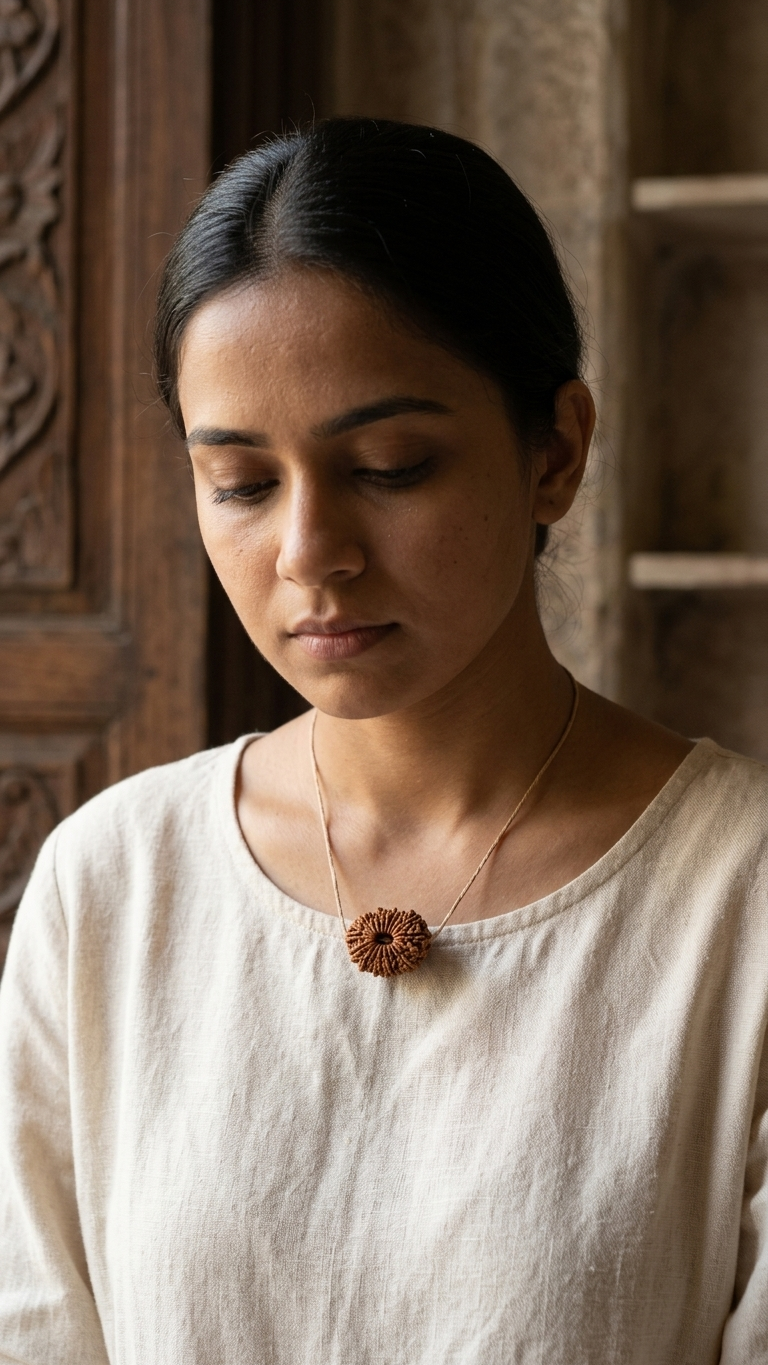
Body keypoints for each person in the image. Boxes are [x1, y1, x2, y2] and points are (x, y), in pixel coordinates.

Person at [0, 118, 765, 1364]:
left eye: (392, 465)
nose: (310, 555)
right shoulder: (111, 890)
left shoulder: (739, 903)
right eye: (242, 483)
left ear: (555, 452)